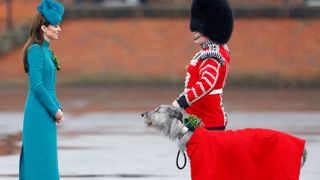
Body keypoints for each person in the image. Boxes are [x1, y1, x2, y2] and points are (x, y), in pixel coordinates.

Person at [19, 0, 64, 179]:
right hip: (38, 114)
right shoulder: (35, 50)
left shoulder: (47, 51)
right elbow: (37, 85)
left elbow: (50, 86)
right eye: (55, 25)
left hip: (47, 113)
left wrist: (58, 108)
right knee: (40, 162)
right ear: (43, 28)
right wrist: (55, 109)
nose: (59, 29)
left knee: (48, 161)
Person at [172, 0, 233, 130]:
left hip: (207, 121)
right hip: (196, 119)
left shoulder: (212, 54)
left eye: (199, 27)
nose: (194, 30)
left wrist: (181, 102)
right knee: (185, 148)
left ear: (211, 27)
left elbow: (207, 83)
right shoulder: (213, 50)